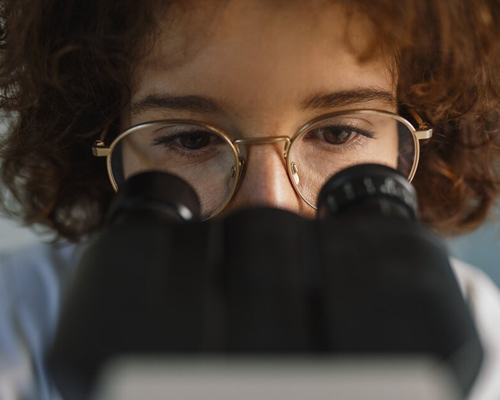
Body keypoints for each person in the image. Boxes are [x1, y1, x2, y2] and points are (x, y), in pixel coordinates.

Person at [0, 0, 499, 399]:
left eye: (338, 132)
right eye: (193, 140)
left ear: (408, 138)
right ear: (106, 145)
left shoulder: (474, 326)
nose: (270, 205)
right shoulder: (21, 316)